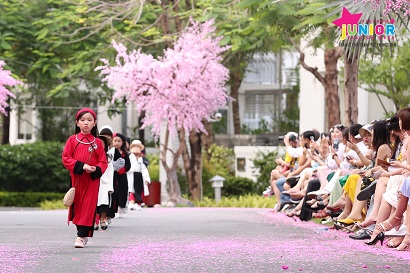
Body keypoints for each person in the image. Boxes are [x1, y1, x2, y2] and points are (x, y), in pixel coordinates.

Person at [62, 108, 108, 248]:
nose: (86, 123)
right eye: (82, 120)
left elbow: (103, 162)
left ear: (94, 123)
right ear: (77, 123)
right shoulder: (72, 140)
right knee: (78, 207)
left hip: (92, 180)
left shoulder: (98, 143)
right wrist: (81, 166)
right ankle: (82, 234)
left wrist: (95, 168)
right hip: (77, 179)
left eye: (89, 120)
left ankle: (81, 237)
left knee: (88, 205)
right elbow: (66, 158)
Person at [128, 140, 151, 210]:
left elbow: (144, 169)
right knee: (131, 189)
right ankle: (131, 202)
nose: (136, 148)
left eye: (138, 146)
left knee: (139, 190)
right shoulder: (129, 157)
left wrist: (146, 179)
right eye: (134, 146)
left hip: (139, 176)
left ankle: (138, 203)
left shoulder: (142, 159)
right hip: (131, 174)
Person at [112, 133, 131, 217]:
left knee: (122, 191)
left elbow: (128, 166)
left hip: (122, 177)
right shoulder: (110, 152)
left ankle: (121, 208)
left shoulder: (125, 154)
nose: (116, 143)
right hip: (112, 176)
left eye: (119, 141)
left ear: (122, 142)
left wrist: (121, 170)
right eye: (115, 141)